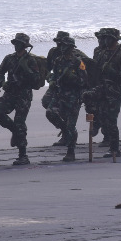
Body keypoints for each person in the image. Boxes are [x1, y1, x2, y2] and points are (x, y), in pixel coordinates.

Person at [84, 28, 121, 157]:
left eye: (107, 38)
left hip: (114, 91)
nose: (104, 40)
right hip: (102, 88)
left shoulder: (120, 56)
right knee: (89, 100)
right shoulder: (102, 53)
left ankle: (115, 149)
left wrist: (112, 71)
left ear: (113, 40)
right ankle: (96, 123)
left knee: (111, 120)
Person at [0, 33, 46, 166]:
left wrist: (25, 68)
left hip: (24, 95)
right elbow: (0, 71)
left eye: (19, 43)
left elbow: (35, 79)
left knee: (19, 122)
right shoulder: (9, 58)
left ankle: (23, 155)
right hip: (10, 93)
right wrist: (1, 82)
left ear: (24, 45)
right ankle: (15, 132)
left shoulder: (30, 60)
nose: (16, 46)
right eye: (15, 43)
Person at [42, 32, 90, 161]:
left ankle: (71, 150)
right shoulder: (58, 60)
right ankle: (65, 131)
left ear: (71, 47)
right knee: (50, 112)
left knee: (71, 125)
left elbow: (84, 81)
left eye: (65, 46)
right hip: (60, 94)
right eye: (61, 45)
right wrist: (51, 80)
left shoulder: (78, 62)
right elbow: (53, 74)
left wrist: (72, 78)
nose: (62, 48)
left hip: (73, 97)